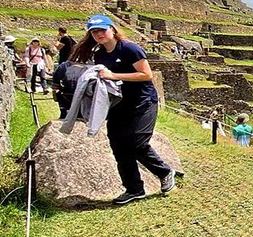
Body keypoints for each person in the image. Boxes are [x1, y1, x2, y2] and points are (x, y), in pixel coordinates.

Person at [69, 14, 175, 205]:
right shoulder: (100, 53)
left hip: (143, 102)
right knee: (118, 144)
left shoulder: (129, 49)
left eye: (102, 30)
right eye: (94, 31)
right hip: (119, 103)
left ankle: (165, 172)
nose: (99, 34)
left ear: (112, 29)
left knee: (137, 142)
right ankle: (134, 189)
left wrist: (112, 75)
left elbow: (146, 74)